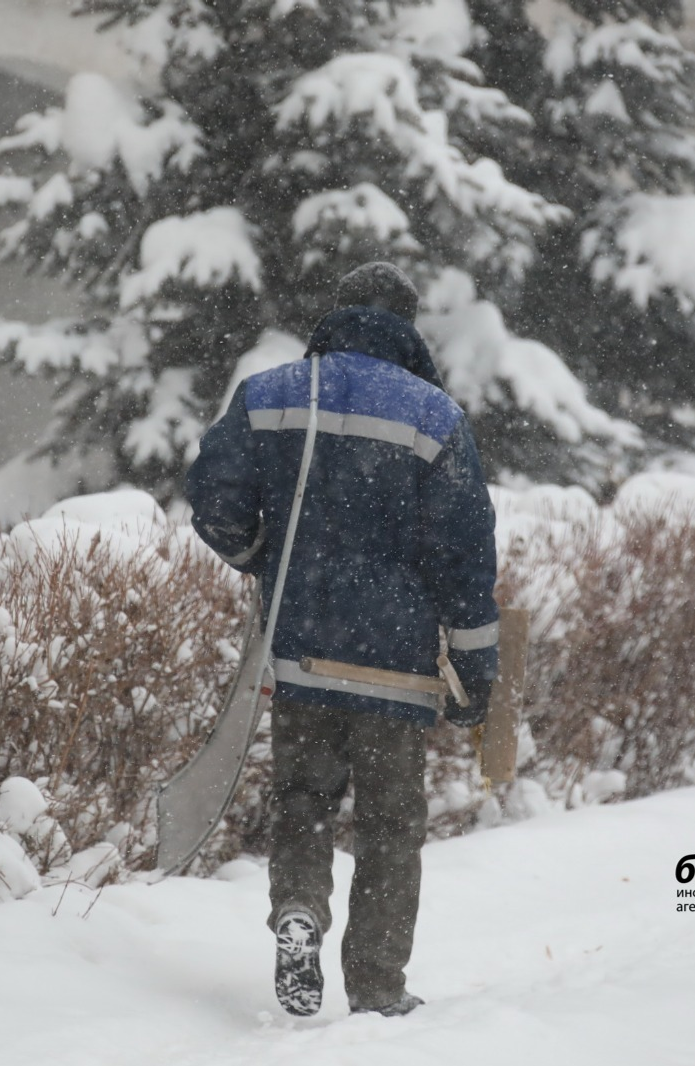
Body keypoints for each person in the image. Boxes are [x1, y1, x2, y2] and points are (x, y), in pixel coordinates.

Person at [185, 263, 499, 1018]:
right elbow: (464, 552)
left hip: (302, 653)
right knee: (392, 825)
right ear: (407, 324)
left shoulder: (269, 394)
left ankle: (298, 912)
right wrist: (476, 662)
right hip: (395, 669)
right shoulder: (433, 416)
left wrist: (263, 559)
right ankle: (379, 988)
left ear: (339, 314)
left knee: (304, 799)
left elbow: (213, 501)